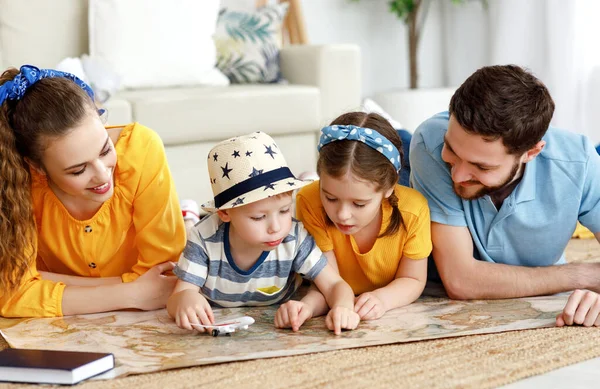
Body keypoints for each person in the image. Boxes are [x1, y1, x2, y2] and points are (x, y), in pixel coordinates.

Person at [409, 64, 600, 326]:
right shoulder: (429, 143)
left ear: (531, 153)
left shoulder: (578, 161)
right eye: (452, 151)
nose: (458, 176)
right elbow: (461, 280)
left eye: (482, 166)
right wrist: (581, 276)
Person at [0, 65, 186, 318]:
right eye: (78, 170)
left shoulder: (142, 149)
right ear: (37, 167)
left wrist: (46, 280)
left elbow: (165, 276)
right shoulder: (17, 179)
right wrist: (131, 293)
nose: (102, 175)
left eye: (105, 150)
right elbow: (11, 294)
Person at [167, 132, 360, 335]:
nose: (276, 227)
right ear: (225, 212)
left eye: (285, 210)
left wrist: (343, 308)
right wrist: (185, 299)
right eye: (259, 217)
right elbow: (177, 298)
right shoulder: (203, 239)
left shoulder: (294, 236)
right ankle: (188, 216)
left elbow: (335, 284)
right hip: (203, 236)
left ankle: (308, 180)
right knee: (188, 231)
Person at [295, 112, 432, 322]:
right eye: (330, 198)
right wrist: (309, 306)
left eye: (359, 204)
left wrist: (382, 299)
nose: (342, 215)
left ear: (388, 188)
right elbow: (327, 282)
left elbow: (412, 278)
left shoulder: (413, 210)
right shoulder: (309, 200)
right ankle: (307, 179)